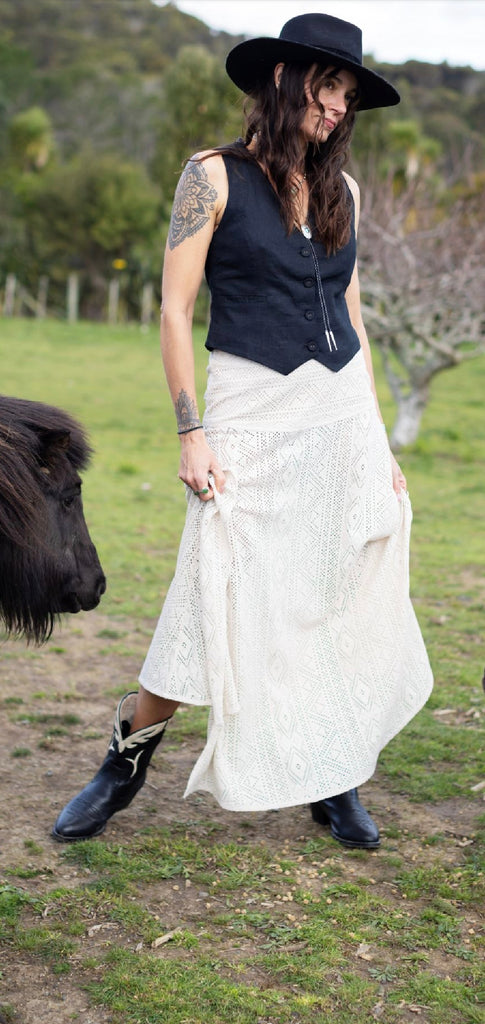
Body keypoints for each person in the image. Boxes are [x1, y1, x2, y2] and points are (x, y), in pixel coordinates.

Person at [52, 12, 433, 848]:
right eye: (325, 87)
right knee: (209, 593)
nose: (335, 107)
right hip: (248, 410)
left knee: (329, 597)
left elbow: (352, 316)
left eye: (346, 96)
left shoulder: (348, 193)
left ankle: (331, 774)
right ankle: (125, 759)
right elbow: (174, 308)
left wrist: (376, 440)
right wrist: (191, 433)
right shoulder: (211, 176)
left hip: (335, 418)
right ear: (283, 79)